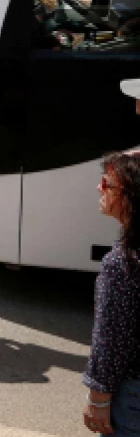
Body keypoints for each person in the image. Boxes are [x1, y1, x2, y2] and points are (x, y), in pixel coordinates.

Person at [84, 148, 140, 436]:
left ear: (127, 196)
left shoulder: (121, 264)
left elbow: (112, 339)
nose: (99, 187)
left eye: (107, 183)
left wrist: (98, 398)